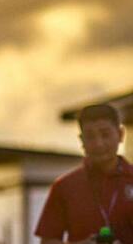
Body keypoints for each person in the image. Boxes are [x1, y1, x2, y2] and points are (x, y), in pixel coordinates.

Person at [35, 104, 133, 243]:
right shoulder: (64, 187)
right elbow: (47, 241)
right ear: (81, 141)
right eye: (90, 136)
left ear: (121, 134)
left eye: (105, 134)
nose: (98, 143)